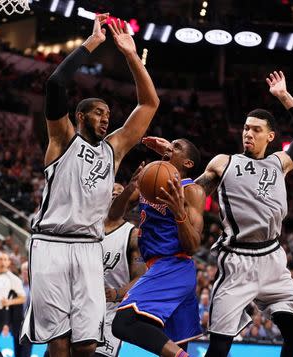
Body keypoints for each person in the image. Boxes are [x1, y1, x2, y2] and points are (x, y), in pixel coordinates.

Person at [20, 13, 159, 357]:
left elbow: (149, 104)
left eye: (108, 113)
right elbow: (54, 84)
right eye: (98, 112)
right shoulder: (62, 139)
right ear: (80, 116)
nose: (106, 117)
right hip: (51, 243)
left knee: (87, 343)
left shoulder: (114, 149)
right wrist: (92, 44)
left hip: (88, 248)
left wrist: (130, 55)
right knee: (59, 340)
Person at [194, 71, 293, 357]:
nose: (248, 133)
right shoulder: (224, 163)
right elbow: (193, 196)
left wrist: (283, 96)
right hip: (236, 260)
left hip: (273, 259)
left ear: (271, 136)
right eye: (246, 128)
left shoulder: (280, 163)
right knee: (220, 345)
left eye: (256, 130)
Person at [111, 138, 206, 357]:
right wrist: (131, 187)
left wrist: (178, 213)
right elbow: (114, 214)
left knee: (124, 323)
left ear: (188, 163)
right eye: (170, 144)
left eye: (178, 147)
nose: (170, 148)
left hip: (175, 265)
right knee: (176, 346)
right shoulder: (150, 181)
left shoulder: (191, 191)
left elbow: (192, 246)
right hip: (157, 266)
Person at [95, 181, 146, 357]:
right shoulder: (84, 227)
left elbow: (142, 277)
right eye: (112, 190)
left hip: (109, 316)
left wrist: (118, 293)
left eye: (120, 191)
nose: (116, 192)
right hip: (77, 309)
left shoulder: (132, 235)